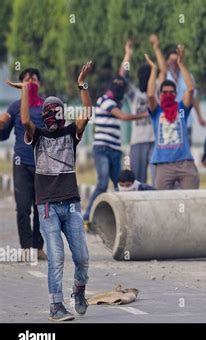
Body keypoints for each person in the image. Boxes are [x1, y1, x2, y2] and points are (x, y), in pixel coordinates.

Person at [7, 61, 94, 321]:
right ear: (44, 116)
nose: (53, 114)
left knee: (82, 258)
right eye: (49, 110)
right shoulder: (38, 137)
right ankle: (56, 307)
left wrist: (82, 84)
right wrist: (25, 91)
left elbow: (87, 113)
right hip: (47, 207)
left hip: (71, 205)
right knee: (56, 256)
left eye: (57, 110)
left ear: (63, 114)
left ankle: (79, 290)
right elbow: (23, 120)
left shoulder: (70, 134)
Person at [83, 71, 149, 222]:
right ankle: (88, 215)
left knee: (119, 184)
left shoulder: (117, 100)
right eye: (117, 84)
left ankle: (123, 216)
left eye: (121, 85)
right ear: (110, 85)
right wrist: (146, 114)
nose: (119, 86)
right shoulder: (104, 100)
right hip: (102, 148)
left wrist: (127, 55)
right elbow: (124, 117)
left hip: (115, 150)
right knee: (102, 183)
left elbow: (121, 76)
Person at [0, 68, 47, 260]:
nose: (30, 82)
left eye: (33, 79)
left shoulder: (46, 106)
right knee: (23, 207)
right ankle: (26, 248)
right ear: (20, 86)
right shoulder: (14, 107)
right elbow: (3, 136)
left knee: (41, 208)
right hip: (21, 163)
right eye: (26, 80)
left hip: (44, 163)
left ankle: (38, 247)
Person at [146, 45, 199, 190]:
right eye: (164, 92)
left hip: (185, 163)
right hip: (163, 164)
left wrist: (181, 64)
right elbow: (150, 95)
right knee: (163, 203)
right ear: (160, 95)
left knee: (192, 199)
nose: (168, 94)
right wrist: (153, 70)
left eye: (171, 92)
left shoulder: (181, 109)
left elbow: (190, 89)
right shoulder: (157, 111)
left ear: (176, 94)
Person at [118, 37, 167, 186]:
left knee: (157, 179)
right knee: (138, 182)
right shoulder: (134, 95)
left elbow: (163, 71)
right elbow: (121, 76)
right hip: (137, 141)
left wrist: (157, 49)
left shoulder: (156, 90)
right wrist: (128, 54)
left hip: (155, 142)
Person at [165, 47, 206, 147]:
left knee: (186, 150)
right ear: (167, 61)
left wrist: (199, 116)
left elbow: (194, 96)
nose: (174, 64)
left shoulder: (188, 76)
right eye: (172, 61)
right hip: (169, 122)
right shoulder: (165, 76)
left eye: (176, 61)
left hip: (185, 121)